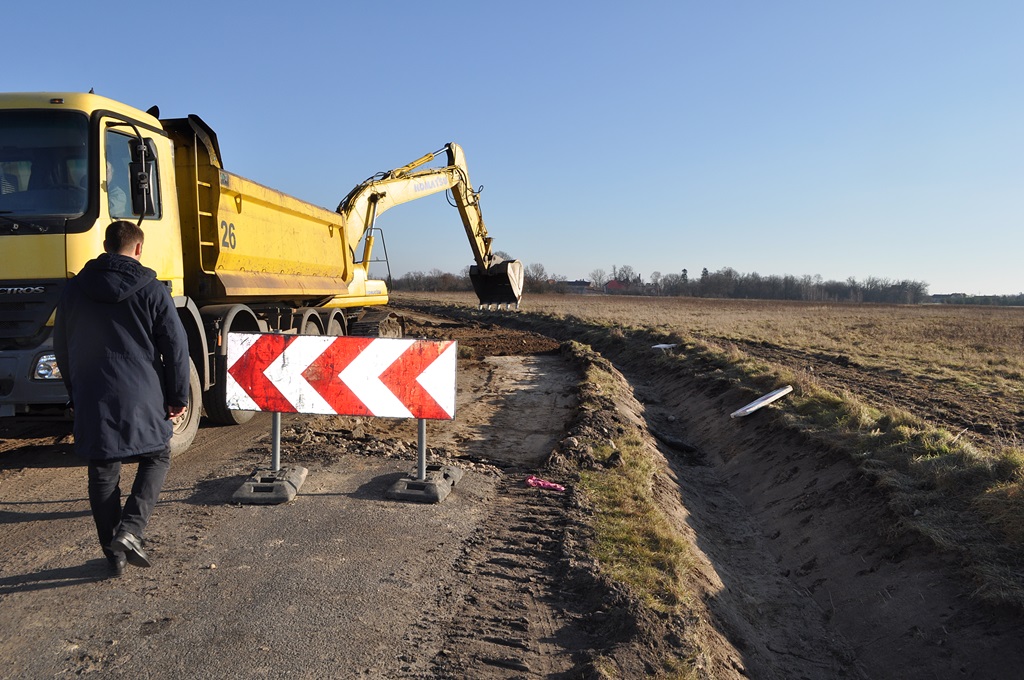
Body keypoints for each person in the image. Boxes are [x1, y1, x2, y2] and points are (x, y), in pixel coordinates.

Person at [53, 220, 189, 577]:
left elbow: (61, 349)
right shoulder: (152, 289)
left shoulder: (74, 290)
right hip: (142, 391)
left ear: (106, 245)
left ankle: (113, 555)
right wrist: (177, 395)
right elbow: (175, 347)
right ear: (139, 248)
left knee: (102, 469)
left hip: (92, 392)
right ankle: (130, 531)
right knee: (157, 454)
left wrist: (75, 391)